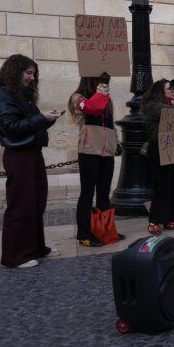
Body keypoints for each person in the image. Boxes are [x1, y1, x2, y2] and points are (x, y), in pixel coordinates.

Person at [0, 54, 61, 268]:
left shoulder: (22, 96)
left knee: (36, 201)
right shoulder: (3, 96)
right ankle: (14, 256)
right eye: (28, 73)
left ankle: (36, 248)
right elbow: (12, 128)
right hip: (18, 155)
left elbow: (29, 124)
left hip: (32, 153)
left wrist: (48, 119)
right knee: (20, 204)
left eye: (34, 74)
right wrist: (41, 118)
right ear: (15, 72)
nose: (32, 77)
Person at [68, 74, 124, 246]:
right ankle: (83, 234)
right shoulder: (78, 98)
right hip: (89, 151)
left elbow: (109, 123)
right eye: (100, 81)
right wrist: (100, 94)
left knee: (103, 193)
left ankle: (104, 230)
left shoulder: (106, 99)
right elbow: (92, 109)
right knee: (87, 193)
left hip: (106, 152)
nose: (104, 84)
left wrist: (115, 142)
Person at [142, 79, 174, 234]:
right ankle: (155, 221)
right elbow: (170, 115)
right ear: (160, 91)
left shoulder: (173, 103)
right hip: (159, 149)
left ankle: (171, 218)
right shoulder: (152, 105)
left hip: (173, 148)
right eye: (169, 88)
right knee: (161, 185)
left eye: (172, 88)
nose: (172, 90)